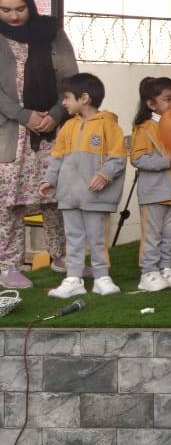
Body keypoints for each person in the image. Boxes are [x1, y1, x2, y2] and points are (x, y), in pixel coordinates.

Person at [0, 0, 77, 289]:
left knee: (56, 196)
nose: (14, 16)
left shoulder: (51, 32)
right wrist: (24, 115)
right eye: (5, 10)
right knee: (9, 202)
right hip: (11, 133)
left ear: (30, 4)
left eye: (20, 8)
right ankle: (9, 266)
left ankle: (62, 257)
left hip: (52, 130)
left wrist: (56, 114)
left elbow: (71, 79)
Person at [38, 72, 125, 298]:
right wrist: (49, 179)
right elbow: (57, 158)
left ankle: (101, 277)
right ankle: (73, 278)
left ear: (84, 98)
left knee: (97, 238)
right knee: (73, 238)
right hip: (69, 196)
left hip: (95, 197)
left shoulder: (109, 125)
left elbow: (118, 157)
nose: (63, 103)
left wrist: (104, 174)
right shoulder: (67, 127)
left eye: (67, 97)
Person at [131, 76, 171, 292]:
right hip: (154, 194)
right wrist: (168, 161)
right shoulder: (145, 128)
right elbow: (138, 158)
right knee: (153, 235)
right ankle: (148, 272)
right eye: (168, 99)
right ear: (151, 104)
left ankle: (166, 267)